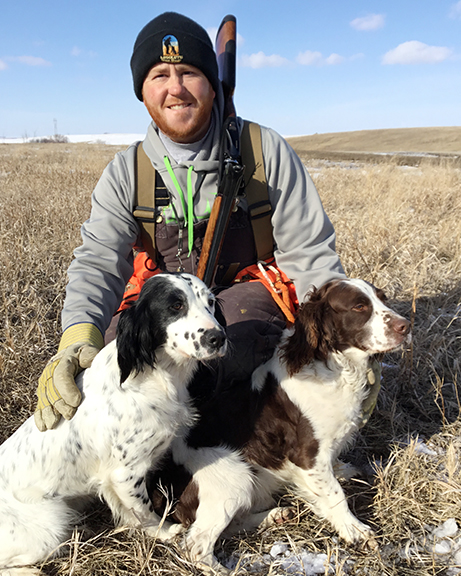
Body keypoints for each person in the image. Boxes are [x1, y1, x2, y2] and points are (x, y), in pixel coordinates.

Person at [34, 11, 348, 432]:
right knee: (115, 355)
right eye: (159, 74)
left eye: (189, 72)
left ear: (214, 85)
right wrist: (78, 338)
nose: (175, 88)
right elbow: (98, 261)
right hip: (170, 301)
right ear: (142, 91)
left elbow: (310, 253)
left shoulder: (264, 151)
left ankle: (218, 440)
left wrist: (340, 342)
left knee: (229, 345)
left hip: (245, 296)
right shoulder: (128, 172)